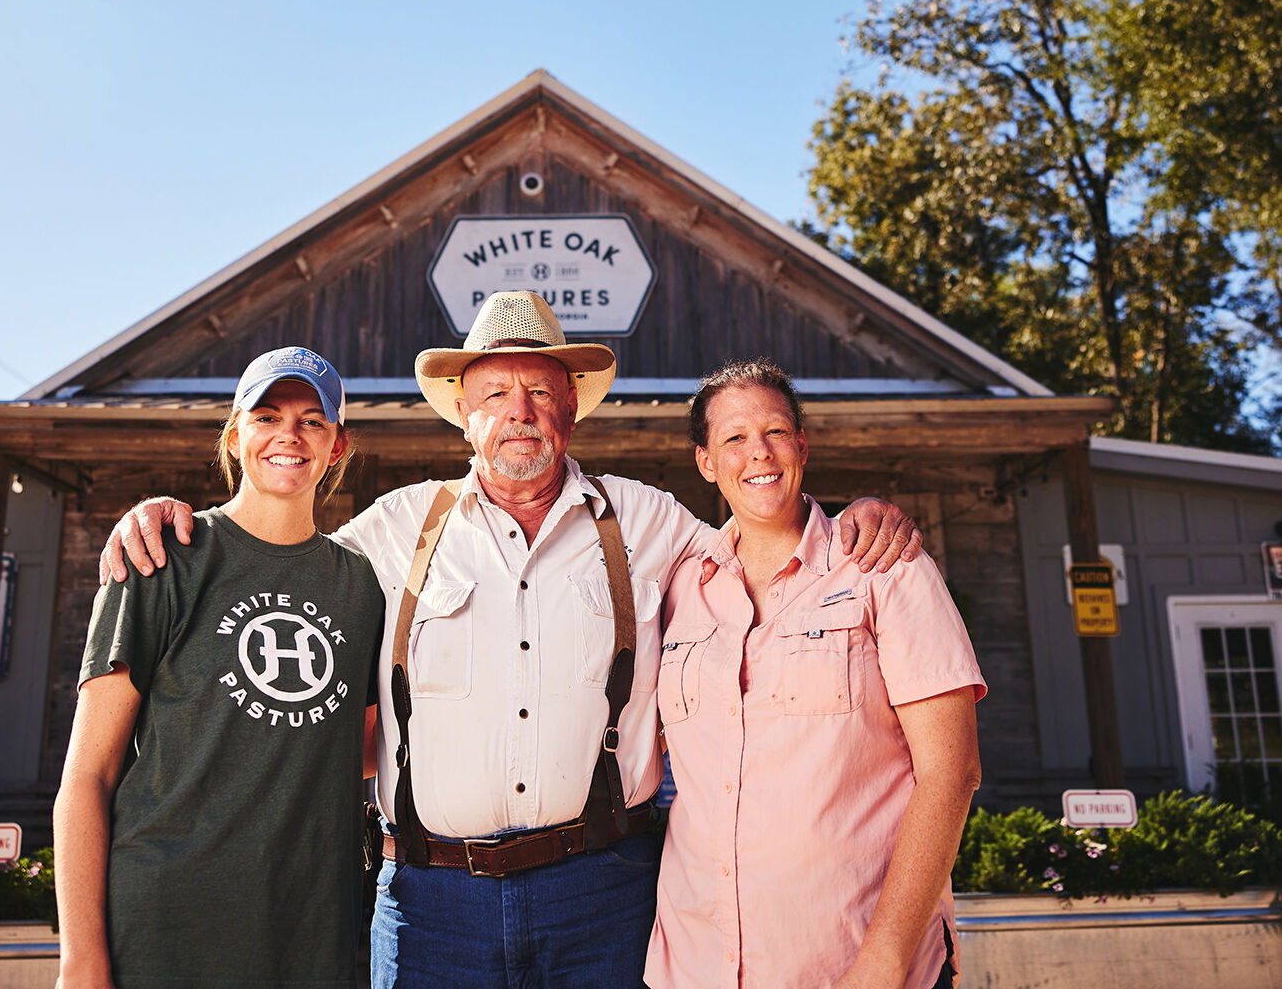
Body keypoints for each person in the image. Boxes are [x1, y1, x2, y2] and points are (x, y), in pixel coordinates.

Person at [99, 292, 923, 989]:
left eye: (539, 392)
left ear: (571, 407)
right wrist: (174, 521)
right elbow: (269, 559)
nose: (519, 413)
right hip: (429, 900)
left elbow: (762, 537)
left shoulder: (646, 520)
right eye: (495, 394)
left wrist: (852, 511)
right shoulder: (392, 530)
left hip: (605, 888)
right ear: (464, 413)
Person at [53, 347, 385, 989]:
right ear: (235, 438)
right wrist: (82, 961)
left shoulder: (362, 584)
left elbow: (358, 746)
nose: (288, 435)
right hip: (164, 929)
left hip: (312, 936)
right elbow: (88, 775)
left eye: (312, 421)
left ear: (337, 446)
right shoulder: (161, 560)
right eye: (266, 416)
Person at [647, 358, 984, 989]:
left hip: (851, 963)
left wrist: (883, 961)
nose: (760, 455)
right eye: (735, 439)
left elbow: (952, 772)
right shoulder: (676, 589)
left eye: (775, 432)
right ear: (705, 461)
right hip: (694, 967)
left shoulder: (886, 568)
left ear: (802, 444)